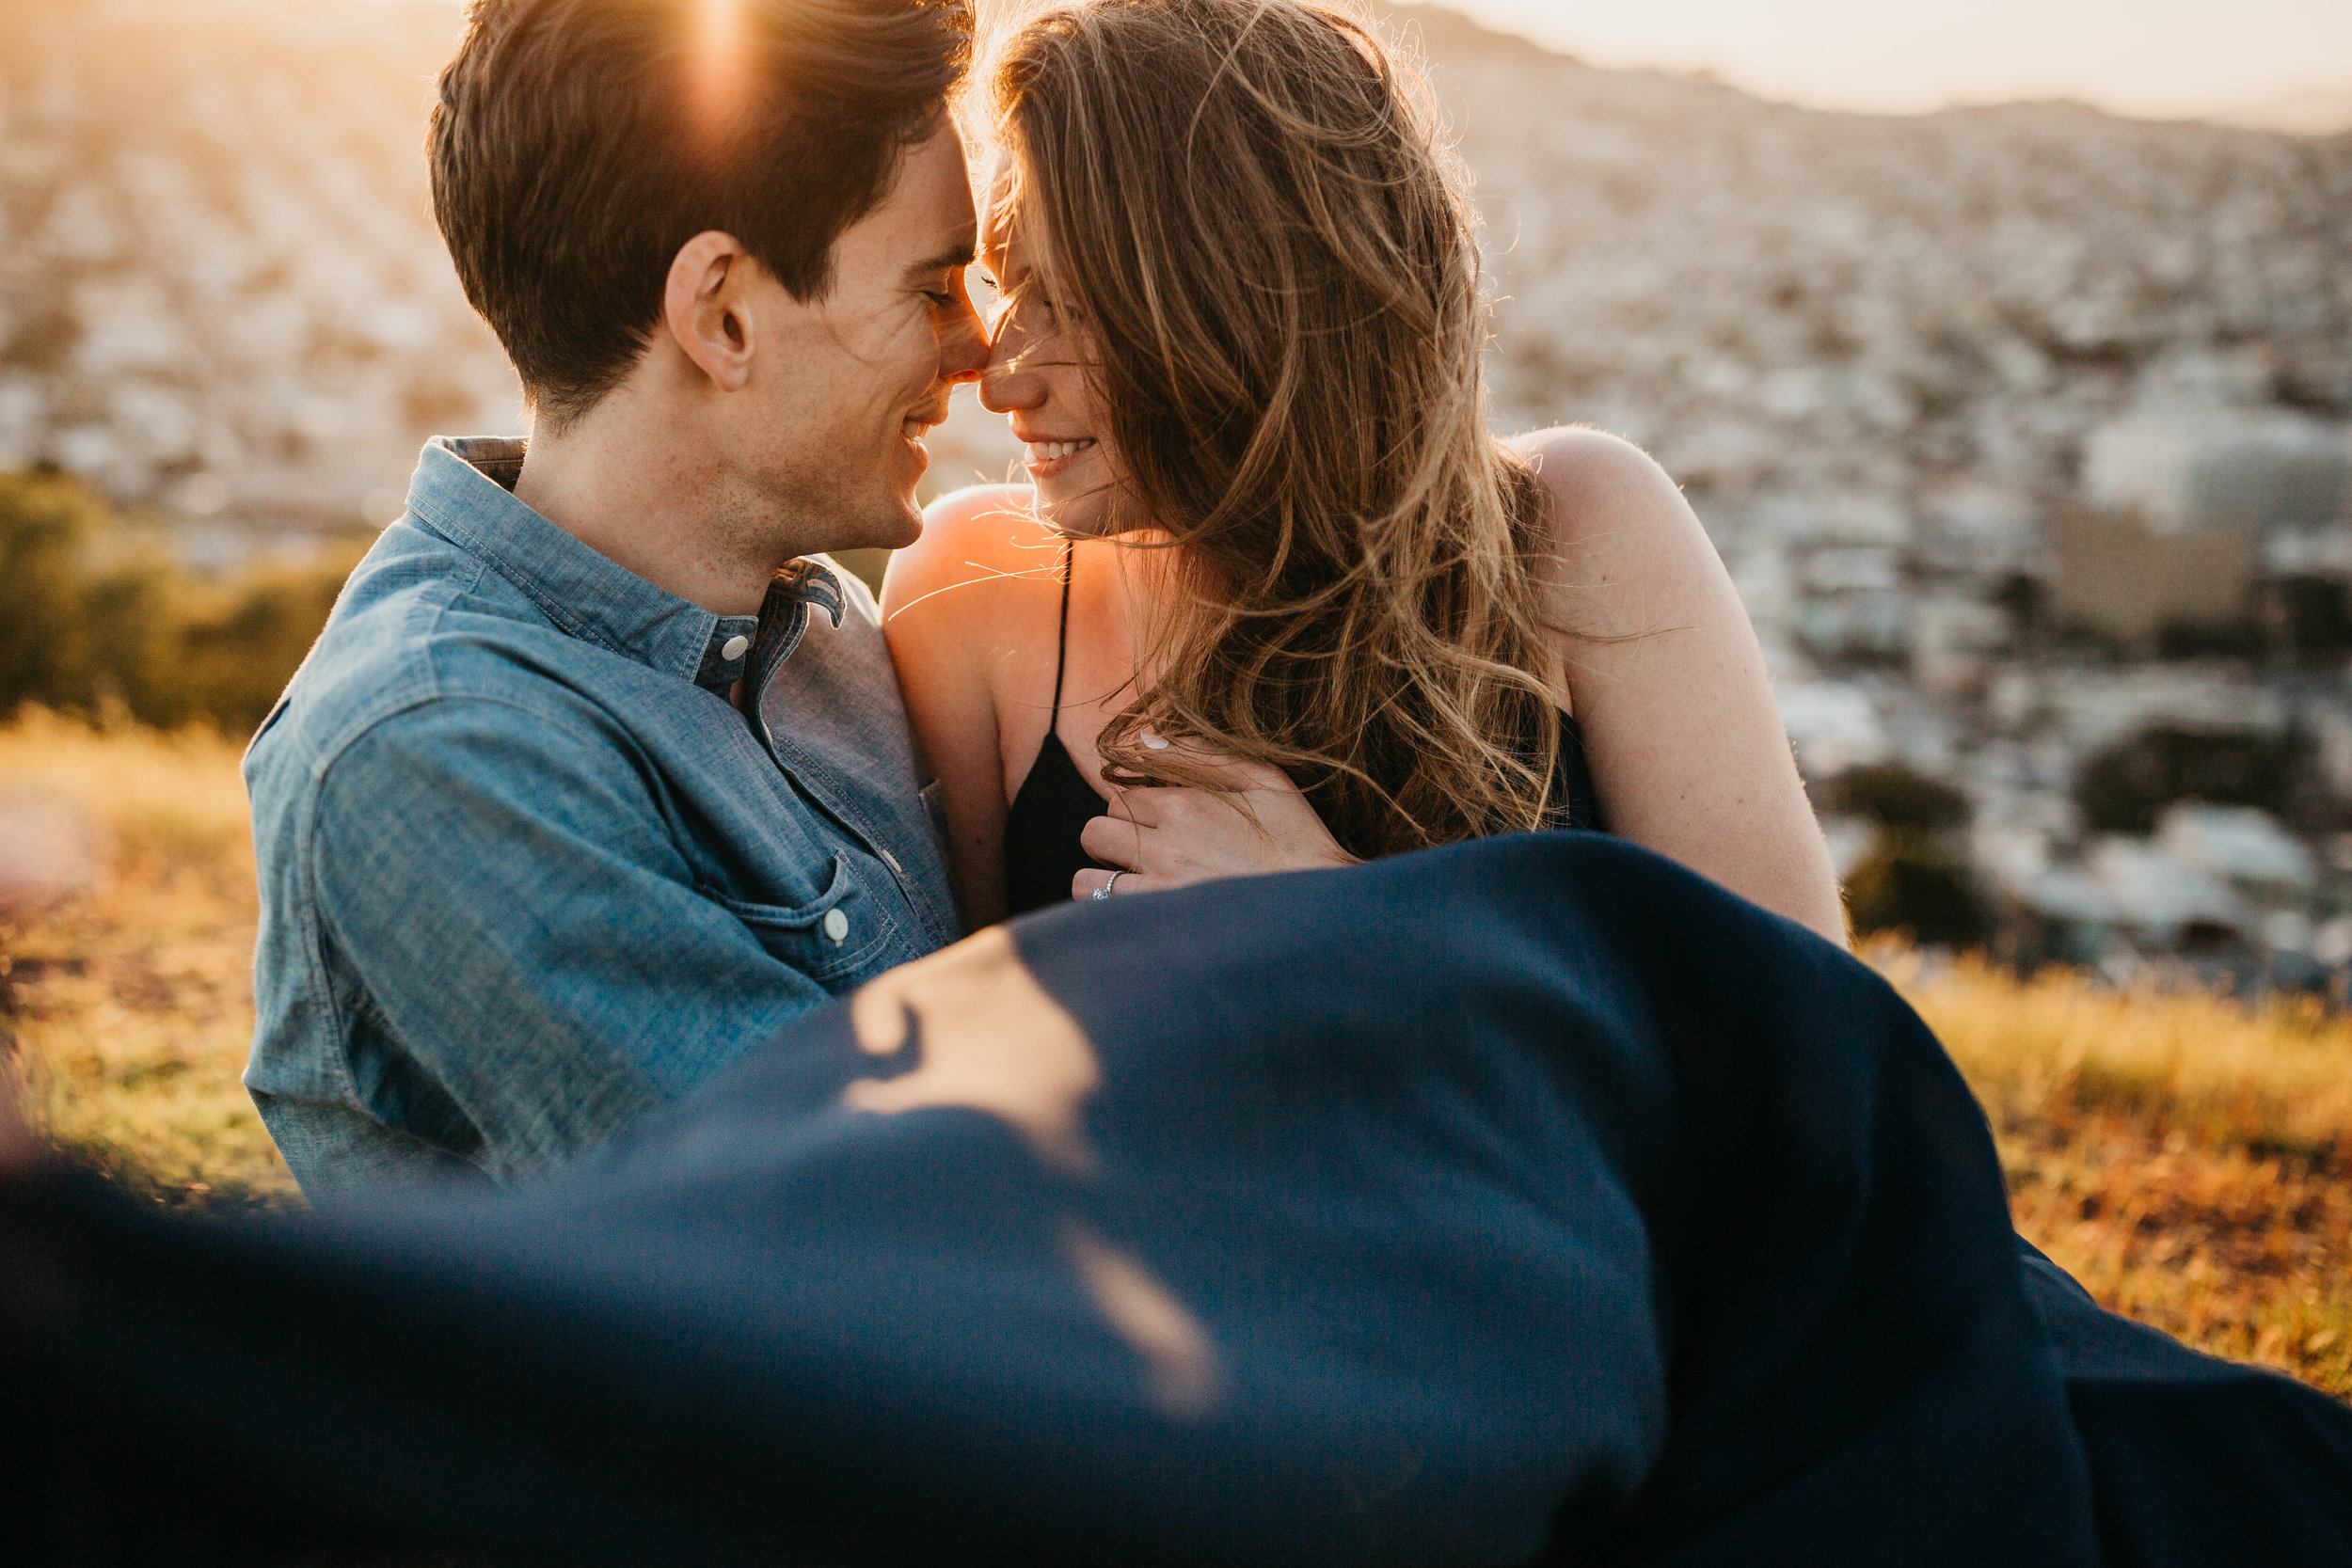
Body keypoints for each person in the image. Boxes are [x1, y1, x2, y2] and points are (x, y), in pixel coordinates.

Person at [883, 0, 1847, 945]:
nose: (1000, 379)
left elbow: (1796, 1046)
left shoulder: (1574, 532)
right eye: (1009, 283)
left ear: (1244, 308)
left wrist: (1340, 915)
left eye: (1075, 305)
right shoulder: (966, 592)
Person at [241, 0, 993, 1196]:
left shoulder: (818, 626)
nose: (981, 349)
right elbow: (860, 1229)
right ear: (722, 313)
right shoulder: (430, 746)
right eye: (933, 286)